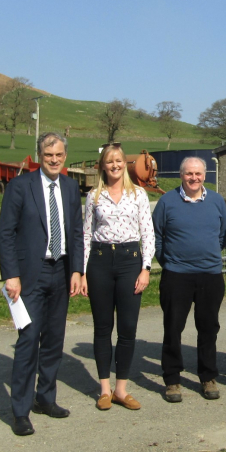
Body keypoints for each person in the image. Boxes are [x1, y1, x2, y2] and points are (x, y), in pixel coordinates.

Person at [0, 132, 85, 437]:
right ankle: (20, 411)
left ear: (64, 156)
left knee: (53, 341)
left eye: (59, 155)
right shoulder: (20, 186)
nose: (55, 160)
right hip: (29, 275)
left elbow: (76, 231)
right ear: (40, 156)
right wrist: (11, 274)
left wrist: (77, 270)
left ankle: (45, 399)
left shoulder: (72, 187)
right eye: (49, 155)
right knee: (28, 340)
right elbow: (6, 233)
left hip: (61, 272)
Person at [77, 144, 154, 411]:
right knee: (102, 327)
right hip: (99, 262)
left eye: (118, 160)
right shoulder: (93, 196)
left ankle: (121, 389)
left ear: (125, 164)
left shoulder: (139, 195)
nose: (114, 165)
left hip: (130, 261)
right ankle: (105, 390)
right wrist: (84, 272)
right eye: (109, 161)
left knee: (128, 328)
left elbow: (148, 233)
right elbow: (86, 235)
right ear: (102, 165)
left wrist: (146, 268)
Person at [152, 157, 226, 403]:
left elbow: (222, 235)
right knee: (173, 328)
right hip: (177, 275)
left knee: (208, 328)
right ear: (181, 175)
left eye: (197, 173)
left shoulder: (217, 201)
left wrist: (206, 256)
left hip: (210, 274)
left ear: (204, 175)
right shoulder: (166, 202)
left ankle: (208, 377)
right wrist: (171, 263)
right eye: (188, 174)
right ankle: (172, 379)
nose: (193, 178)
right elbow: (157, 237)